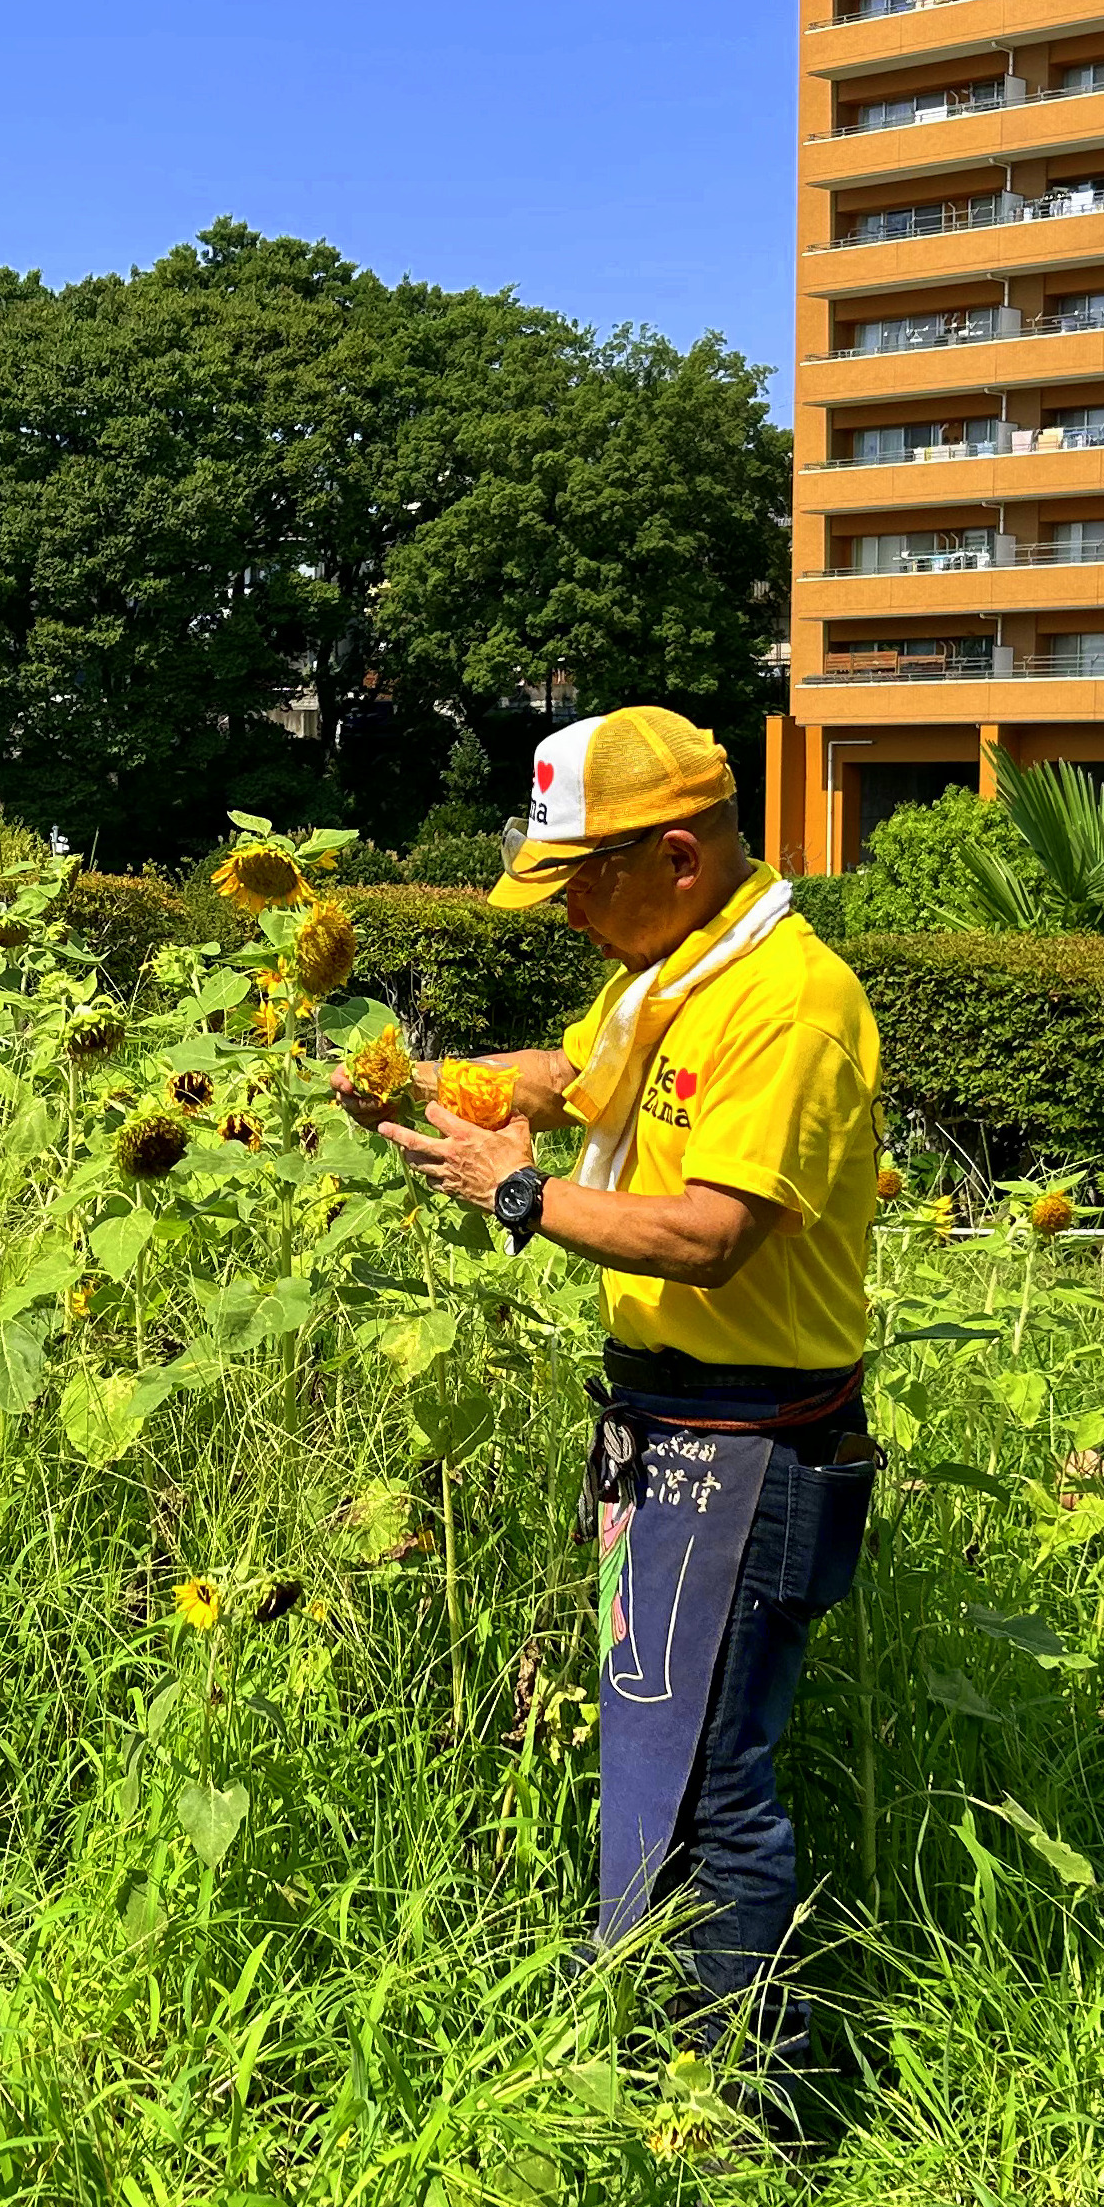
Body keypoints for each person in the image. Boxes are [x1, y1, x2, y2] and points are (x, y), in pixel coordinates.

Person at [353, 707, 882, 2085]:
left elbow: (712, 1238)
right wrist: (423, 1082)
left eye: (583, 878)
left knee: (712, 1787)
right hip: (671, 1424)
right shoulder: (676, 974)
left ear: (676, 857)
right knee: (663, 1745)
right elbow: (573, 1076)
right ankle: (653, 2052)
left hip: (753, 1438)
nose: (568, 911)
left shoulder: (785, 1005)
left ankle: (745, 2098)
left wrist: (520, 1195)